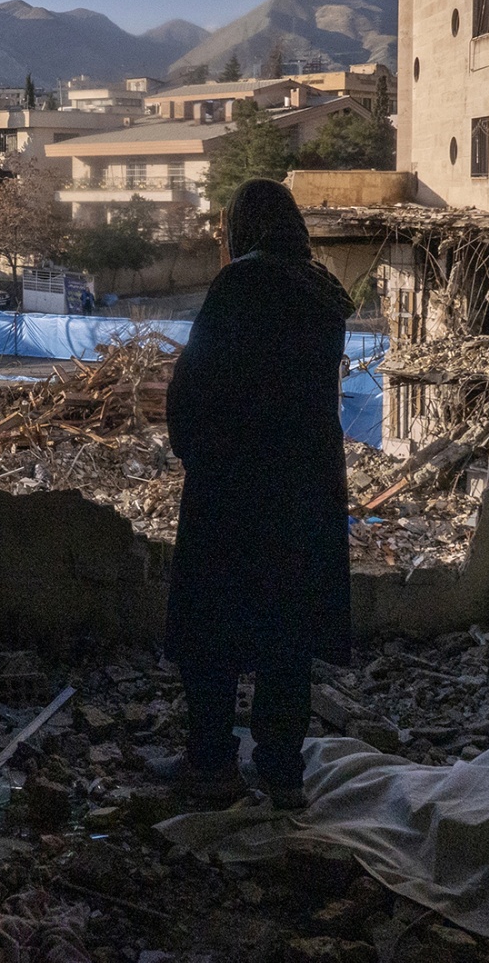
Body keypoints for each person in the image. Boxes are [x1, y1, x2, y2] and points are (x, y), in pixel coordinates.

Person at [152, 177, 357, 808]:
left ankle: (213, 764)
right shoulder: (322, 294)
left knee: (210, 630)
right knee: (286, 640)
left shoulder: (241, 286)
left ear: (241, 228)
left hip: (235, 494)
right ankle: (282, 771)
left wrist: (195, 447)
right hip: (306, 497)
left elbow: (196, 386)